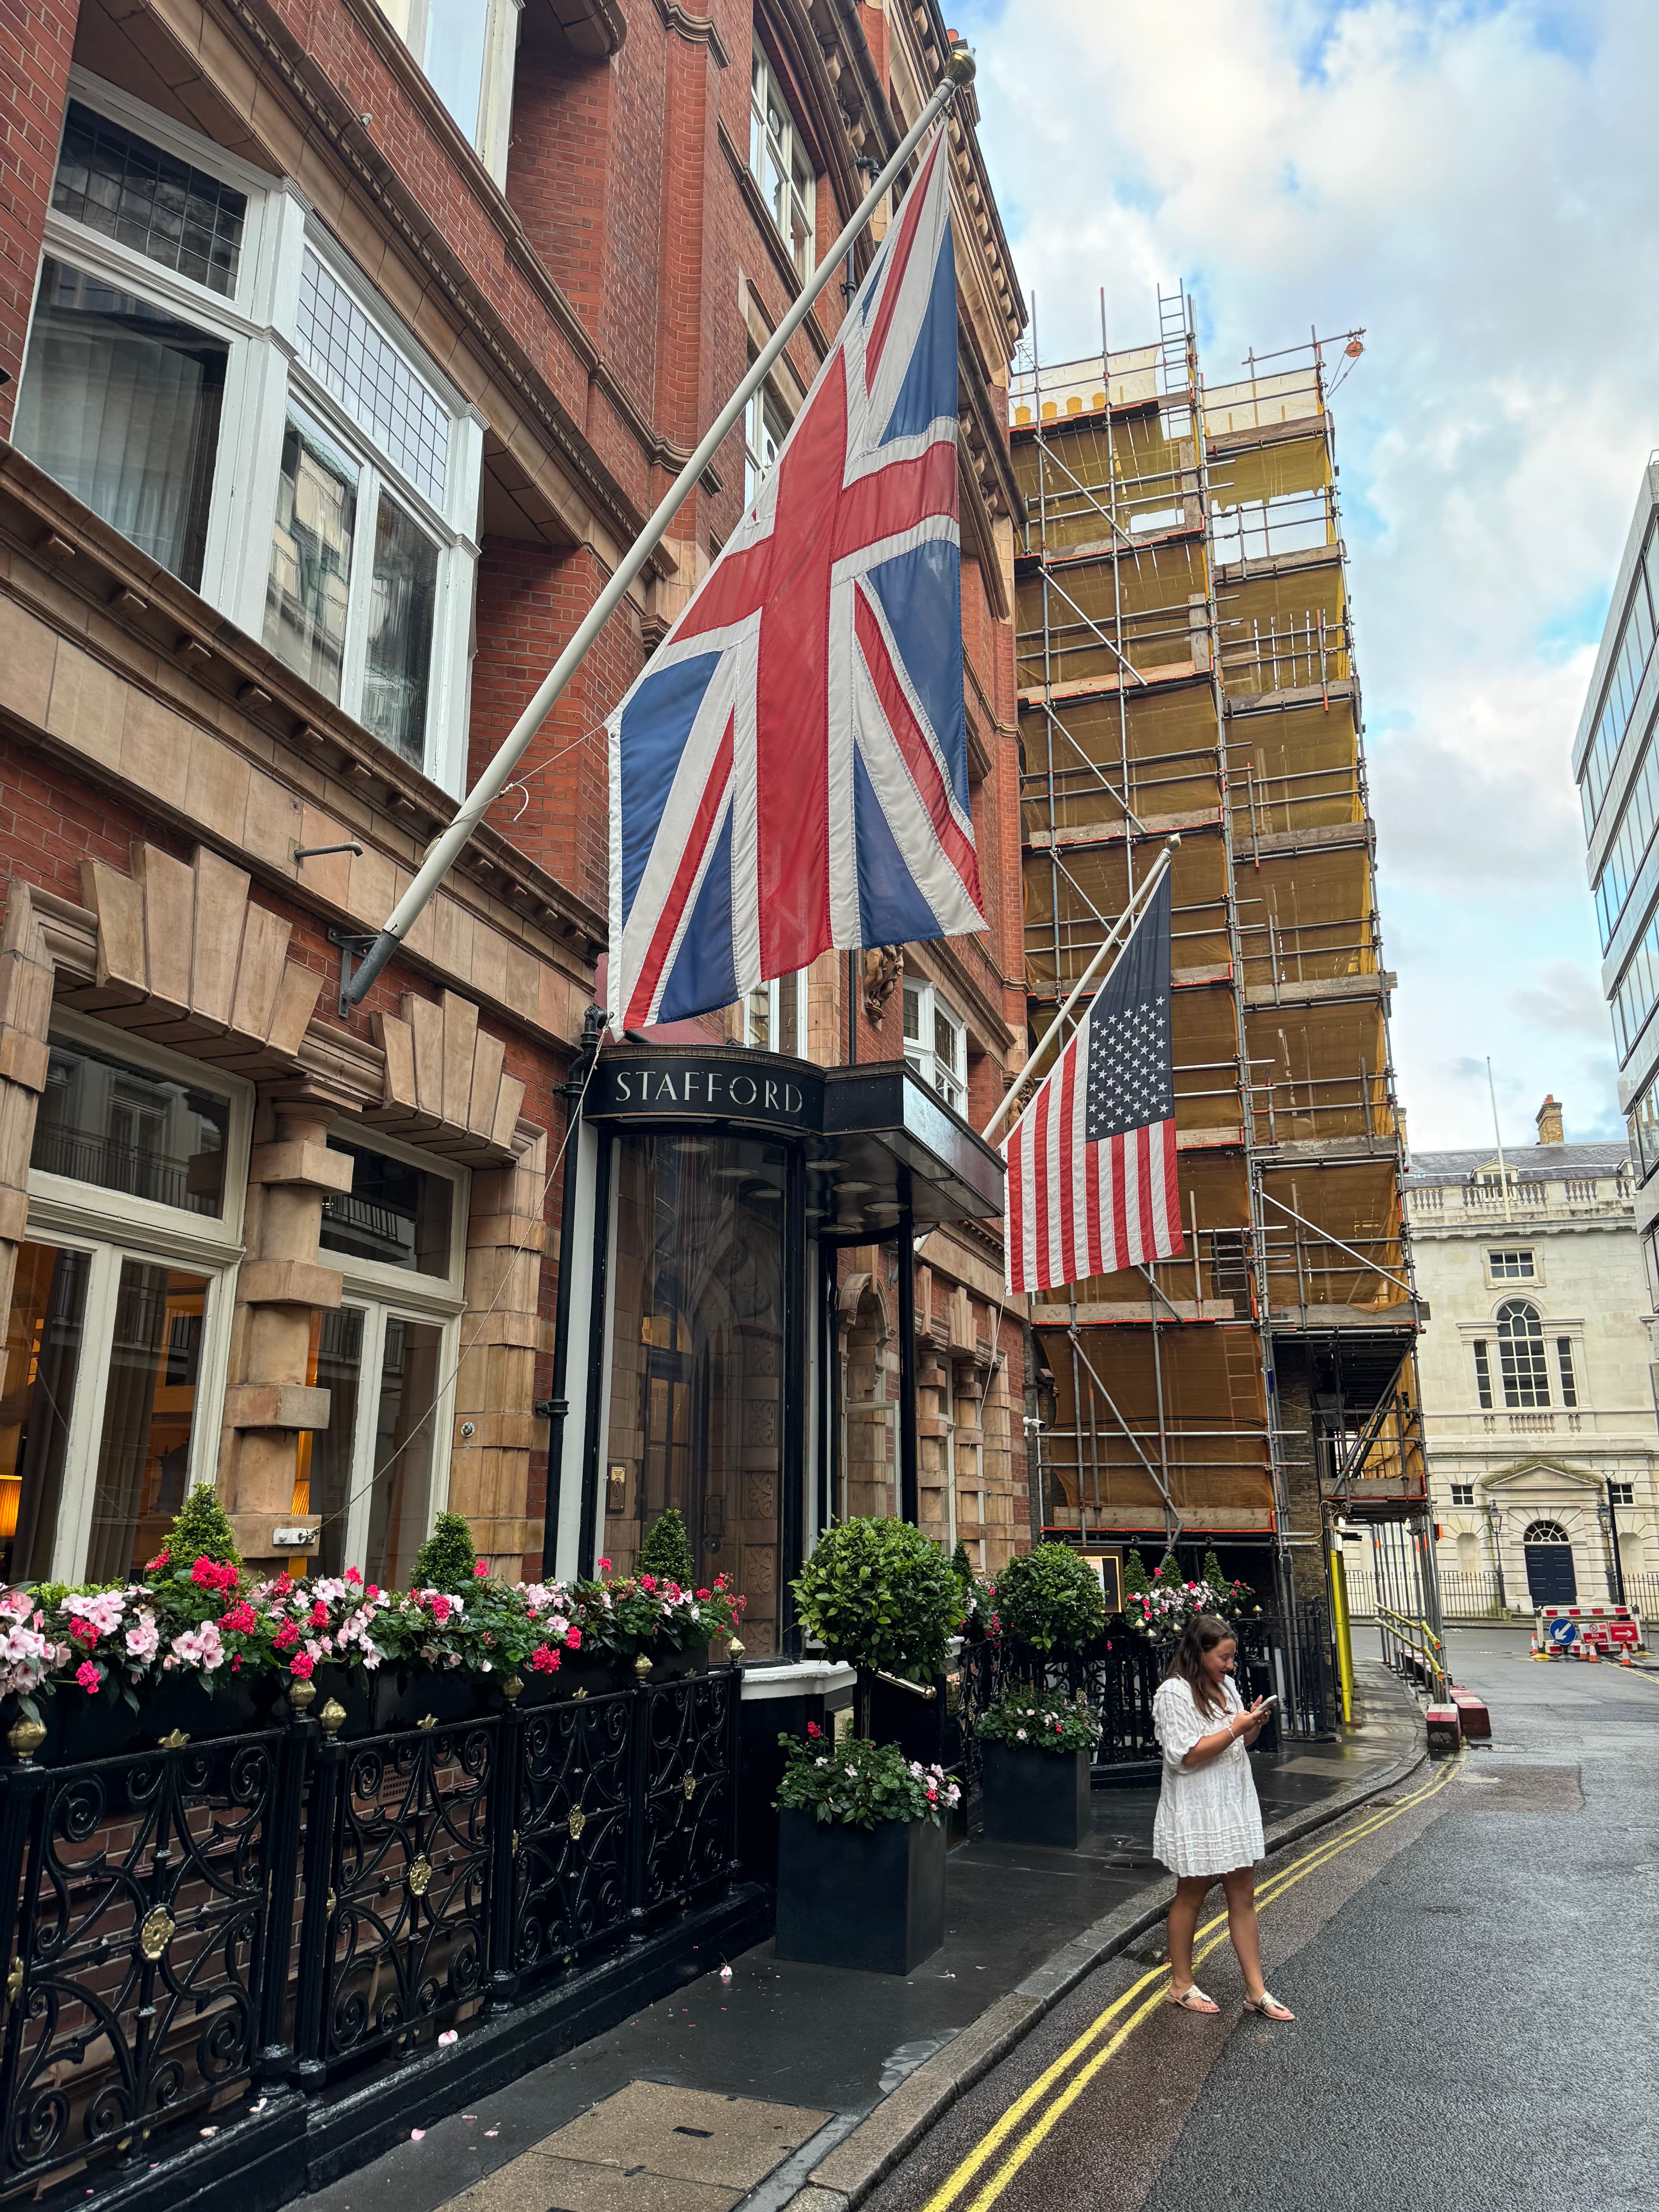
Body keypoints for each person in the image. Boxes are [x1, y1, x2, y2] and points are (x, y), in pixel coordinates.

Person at [1151, 1611, 1294, 2021]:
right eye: (1225, 1658)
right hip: (1198, 1806)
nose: (1231, 1666)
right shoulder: (1173, 1694)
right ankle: (1180, 1984)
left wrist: (1251, 1725)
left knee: (1244, 1892)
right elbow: (1185, 1756)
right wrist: (1235, 1730)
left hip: (1232, 1801)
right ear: (1200, 1652)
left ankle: (1256, 1991)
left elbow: (1237, 1744)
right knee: (1191, 1892)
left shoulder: (1226, 1687)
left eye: (1232, 1659)